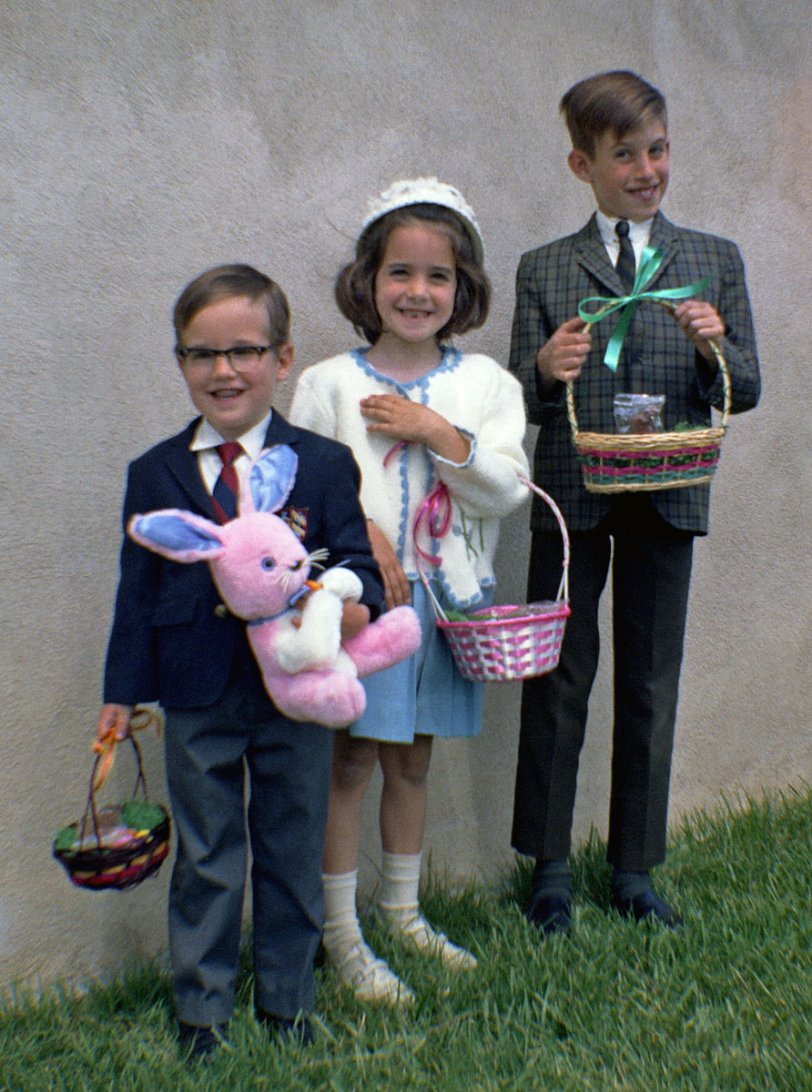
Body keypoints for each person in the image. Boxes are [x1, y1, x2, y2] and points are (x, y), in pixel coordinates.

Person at [95, 264, 384, 1058]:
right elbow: (137, 593)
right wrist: (122, 693)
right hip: (196, 692)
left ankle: (289, 999)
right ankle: (202, 1009)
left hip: (298, 690)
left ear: (283, 359)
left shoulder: (320, 464)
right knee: (209, 850)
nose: (224, 371)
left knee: (292, 841)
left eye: (245, 351)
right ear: (181, 363)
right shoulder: (153, 473)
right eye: (201, 355)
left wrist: (336, 602)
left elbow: (356, 567)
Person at [509, 71, 760, 936]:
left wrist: (711, 349)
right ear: (583, 162)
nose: (647, 168)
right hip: (574, 496)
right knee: (558, 676)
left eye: (657, 149)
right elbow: (515, 404)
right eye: (625, 154)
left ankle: (635, 869)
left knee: (651, 681)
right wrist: (542, 372)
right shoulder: (544, 268)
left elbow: (747, 386)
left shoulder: (713, 259)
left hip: (669, 490)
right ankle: (547, 869)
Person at [290, 178, 528, 1004]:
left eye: (438, 276)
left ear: (462, 289)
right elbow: (299, 498)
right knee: (351, 758)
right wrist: (366, 534)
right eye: (401, 272)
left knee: (413, 761)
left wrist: (436, 433)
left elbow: (503, 491)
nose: (418, 292)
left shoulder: (489, 386)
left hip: (447, 603)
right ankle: (339, 930)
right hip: (365, 604)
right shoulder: (326, 384)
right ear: (369, 280)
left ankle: (402, 911)